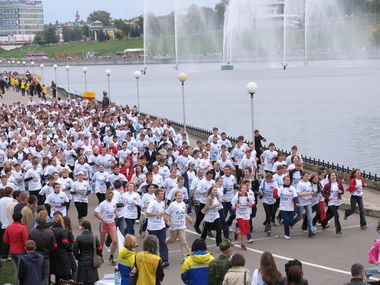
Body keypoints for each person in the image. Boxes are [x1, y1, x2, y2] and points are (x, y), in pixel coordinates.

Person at [29, 216, 57, 285]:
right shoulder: (50, 232)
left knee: (36, 275)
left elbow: (29, 243)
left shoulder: (32, 232)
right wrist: (50, 252)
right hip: (46, 256)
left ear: (37, 223)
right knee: (45, 276)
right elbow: (55, 246)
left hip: (35, 256)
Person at [165, 191, 192, 261]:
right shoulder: (173, 205)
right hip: (174, 226)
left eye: (181, 195)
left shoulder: (183, 204)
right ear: (175, 196)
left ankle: (185, 256)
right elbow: (166, 213)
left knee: (183, 240)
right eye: (178, 196)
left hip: (182, 226)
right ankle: (163, 243)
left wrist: (189, 218)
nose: (180, 197)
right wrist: (167, 221)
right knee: (172, 240)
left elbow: (183, 213)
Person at [3, 212, 28, 285]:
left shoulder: (9, 227)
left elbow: (5, 240)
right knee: (20, 271)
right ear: (21, 219)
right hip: (21, 251)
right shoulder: (23, 228)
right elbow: (26, 241)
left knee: (17, 270)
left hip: (12, 251)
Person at [146, 188, 169, 267]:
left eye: (163, 194)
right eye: (161, 194)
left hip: (161, 226)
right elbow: (147, 213)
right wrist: (157, 214)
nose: (163, 195)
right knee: (153, 244)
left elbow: (162, 213)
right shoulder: (153, 203)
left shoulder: (162, 203)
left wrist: (166, 221)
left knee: (163, 243)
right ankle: (152, 260)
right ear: (157, 195)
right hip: (153, 227)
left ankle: (165, 260)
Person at [74, 220, 102, 285]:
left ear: (83, 227)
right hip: (92, 261)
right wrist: (98, 255)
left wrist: (78, 257)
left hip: (82, 260)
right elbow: (100, 248)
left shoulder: (78, 238)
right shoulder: (94, 237)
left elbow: (74, 250)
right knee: (91, 280)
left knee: (83, 280)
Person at [94, 190, 118, 265]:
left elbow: (114, 210)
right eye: (108, 196)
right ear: (105, 196)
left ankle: (111, 256)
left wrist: (116, 214)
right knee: (101, 241)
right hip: (104, 225)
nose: (110, 197)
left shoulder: (114, 202)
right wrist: (103, 220)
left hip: (111, 223)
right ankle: (100, 256)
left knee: (115, 241)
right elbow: (96, 213)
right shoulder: (102, 204)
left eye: (111, 196)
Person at [232, 182, 255, 250]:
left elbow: (253, 203)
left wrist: (250, 204)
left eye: (246, 188)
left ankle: (237, 232)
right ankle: (243, 244)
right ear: (240, 189)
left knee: (246, 230)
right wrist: (236, 206)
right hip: (239, 215)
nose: (245, 189)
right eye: (243, 188)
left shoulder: (249, 196)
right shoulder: (236, 197)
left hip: (246, 214)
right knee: (243, 229)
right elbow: (232, 207)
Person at [50, 213, 71, 284]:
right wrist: (69, 247)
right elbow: (65, 243)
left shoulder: (50, 230)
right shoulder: (62, 231)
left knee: (57, 276)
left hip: (53, 255)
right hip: (62, 255)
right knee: (65, 276)